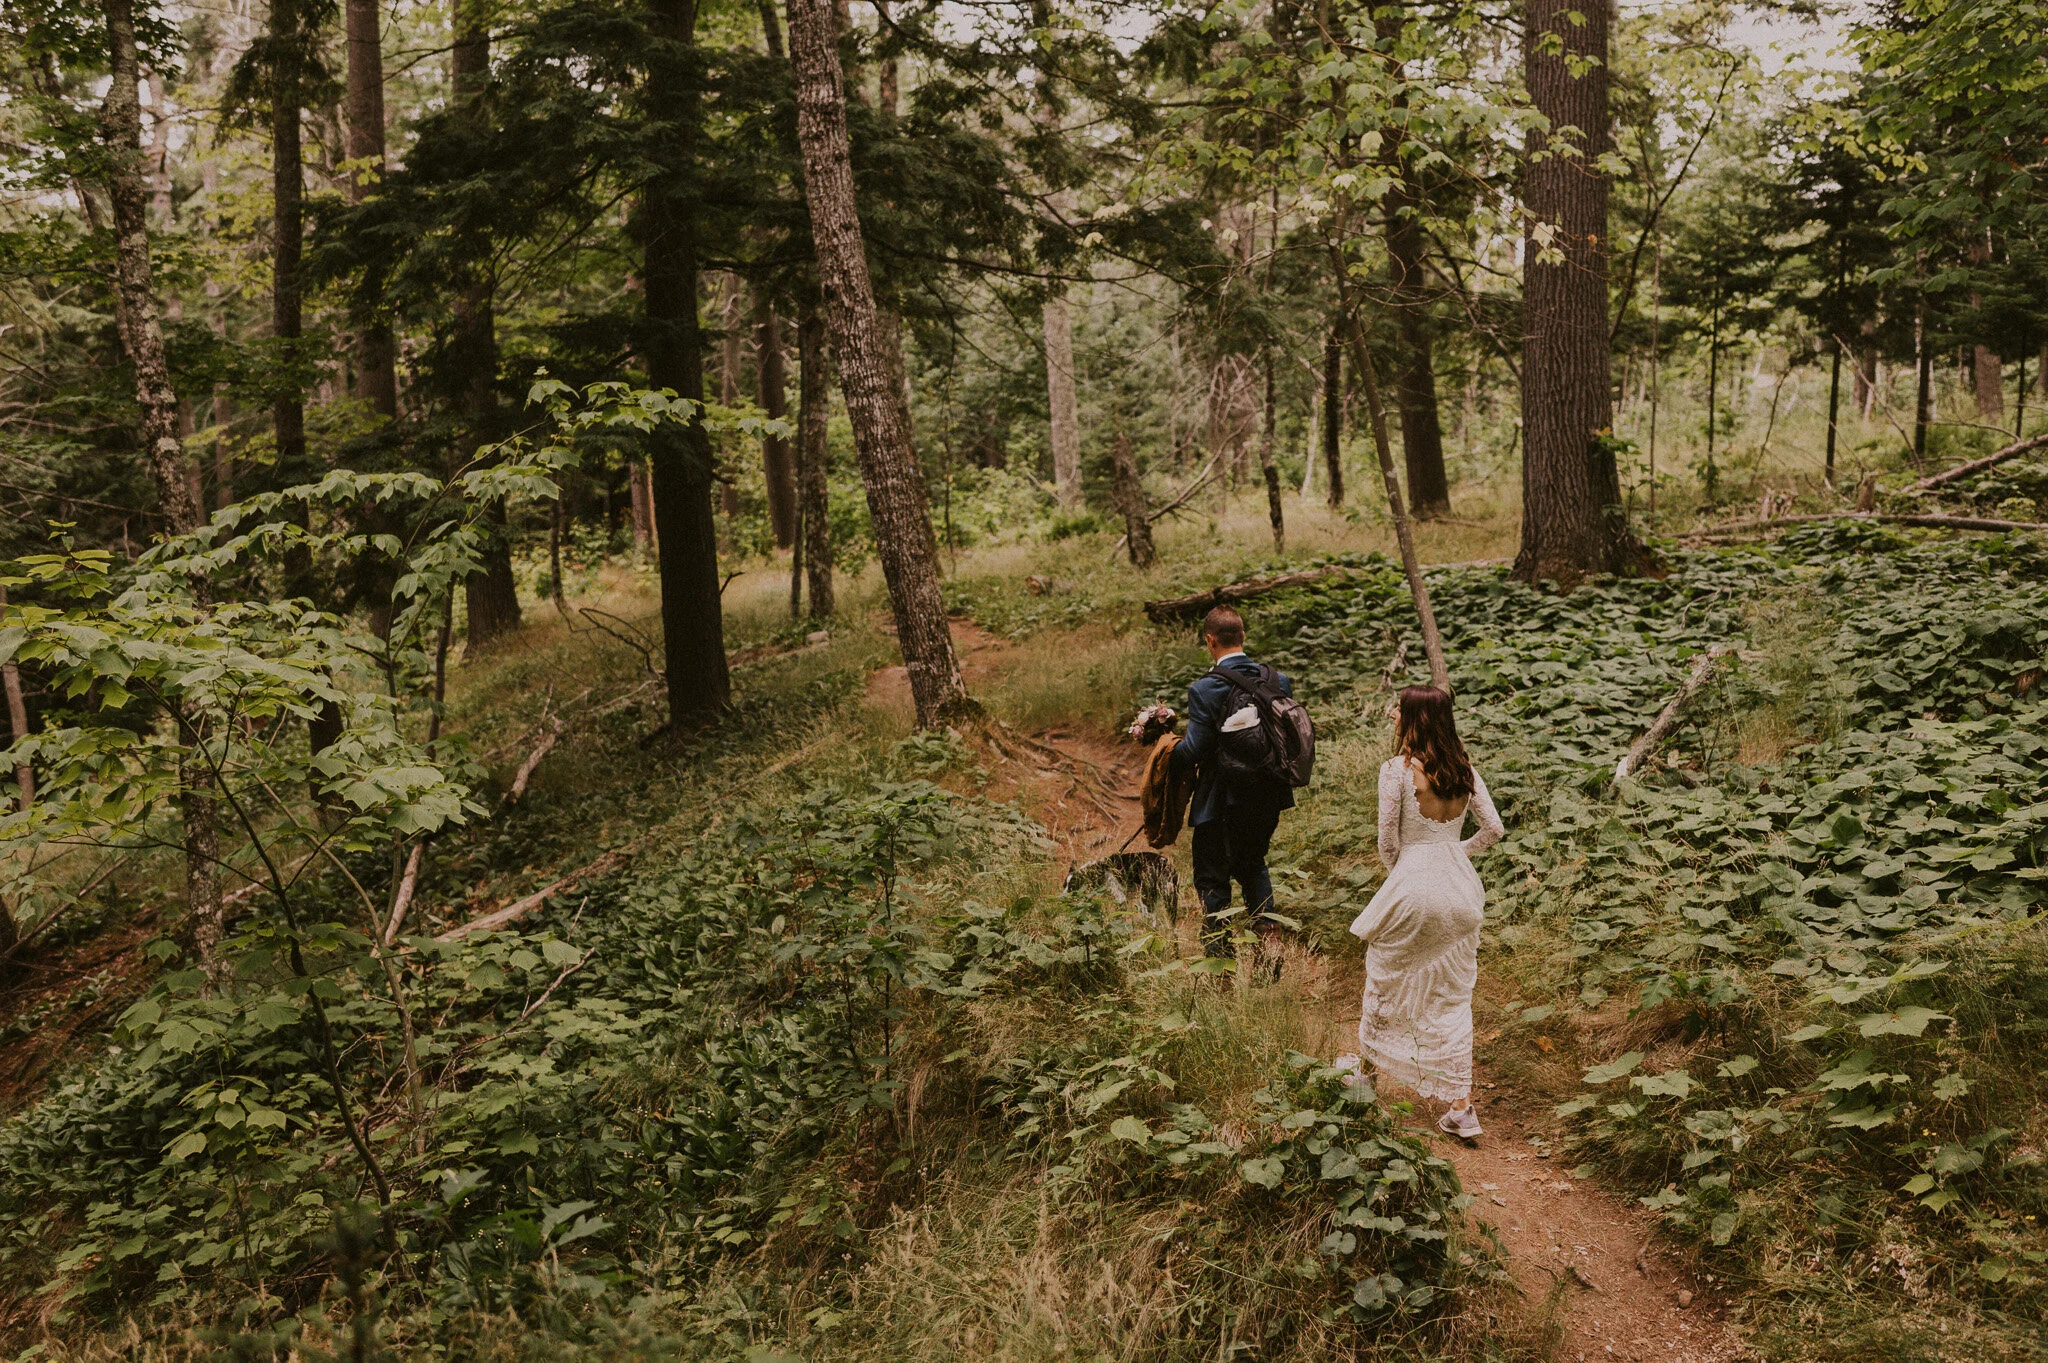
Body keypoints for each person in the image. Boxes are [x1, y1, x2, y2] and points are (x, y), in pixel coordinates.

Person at [1345, 685, 1503, 1140]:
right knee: (1454, 994)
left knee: (1384, 977)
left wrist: (1407, 873)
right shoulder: (1464, 768)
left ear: (1414, 718)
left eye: (1400, 708)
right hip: (1462, 891)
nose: (1393, 713)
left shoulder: (1395, 770)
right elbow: (1494, 828)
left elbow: (1387, 842)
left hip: (1414, 885)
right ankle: (1462, 1107)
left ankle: (1367, 1079)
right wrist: (1456, 855)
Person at [1167, 605, 1294, 958]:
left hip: (1220, 801)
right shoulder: (1277, 681)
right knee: (1253, 864)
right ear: (1243, 637)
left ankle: (1220, 960)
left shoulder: (1205, 688)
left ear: (1210, 641)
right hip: (1269, 796)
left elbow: (1192, 751)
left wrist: (1163, 746)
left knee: (1212, 876)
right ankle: (1270, 940)